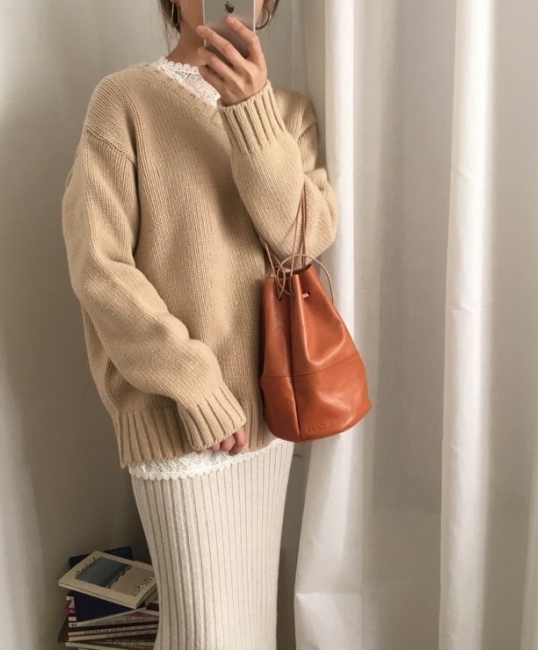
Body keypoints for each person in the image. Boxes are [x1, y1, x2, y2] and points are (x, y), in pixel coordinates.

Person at [60, 1, 339, 647]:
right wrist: (197, 386)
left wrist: (251, 112)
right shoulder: (123, 100)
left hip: (269, 412)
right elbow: (99, 267)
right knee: (203, 635)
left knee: (251, 628)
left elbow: (302, 240)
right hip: (177, 414)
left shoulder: (288, 113)